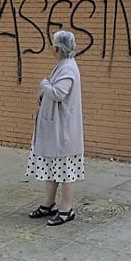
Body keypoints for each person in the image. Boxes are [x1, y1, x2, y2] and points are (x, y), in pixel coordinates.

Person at [26, 30, 84, 226]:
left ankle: (67, 208)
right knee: (51, 166)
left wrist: (44, 84)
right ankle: (48, 203)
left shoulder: (67, 68)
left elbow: (59, 93)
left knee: (65, 168)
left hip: (63, 131)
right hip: (56, 129)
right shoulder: (64, 65)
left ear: (58, 48)